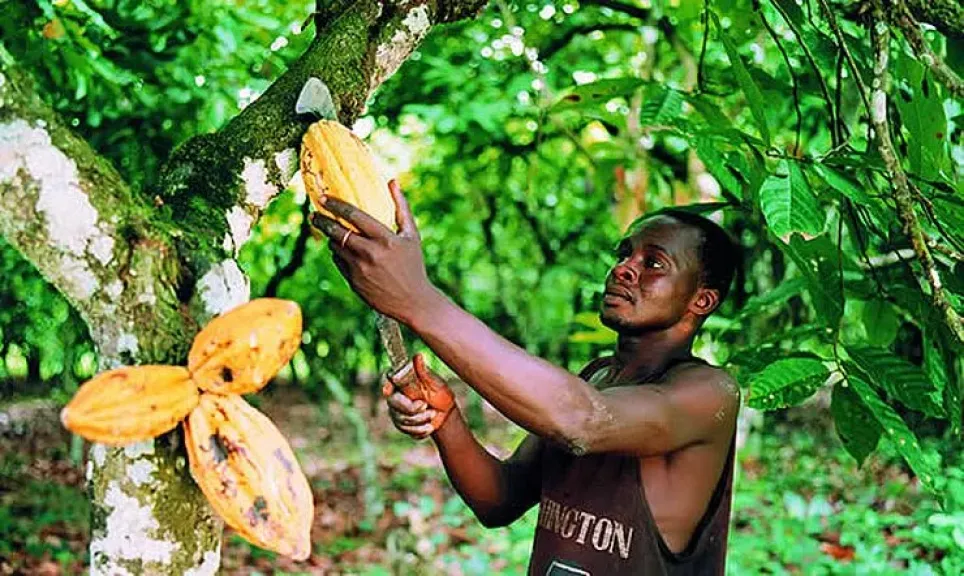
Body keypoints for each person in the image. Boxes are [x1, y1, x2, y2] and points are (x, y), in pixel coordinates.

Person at [311, 180, 742, 575]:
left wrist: (417, 300)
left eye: (654, 263)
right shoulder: (598, 377)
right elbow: (498, 499)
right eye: (624, 254)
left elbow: (584, 421)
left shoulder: (709, 394)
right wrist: (447, 422)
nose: (624, 268)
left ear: (701, 300)